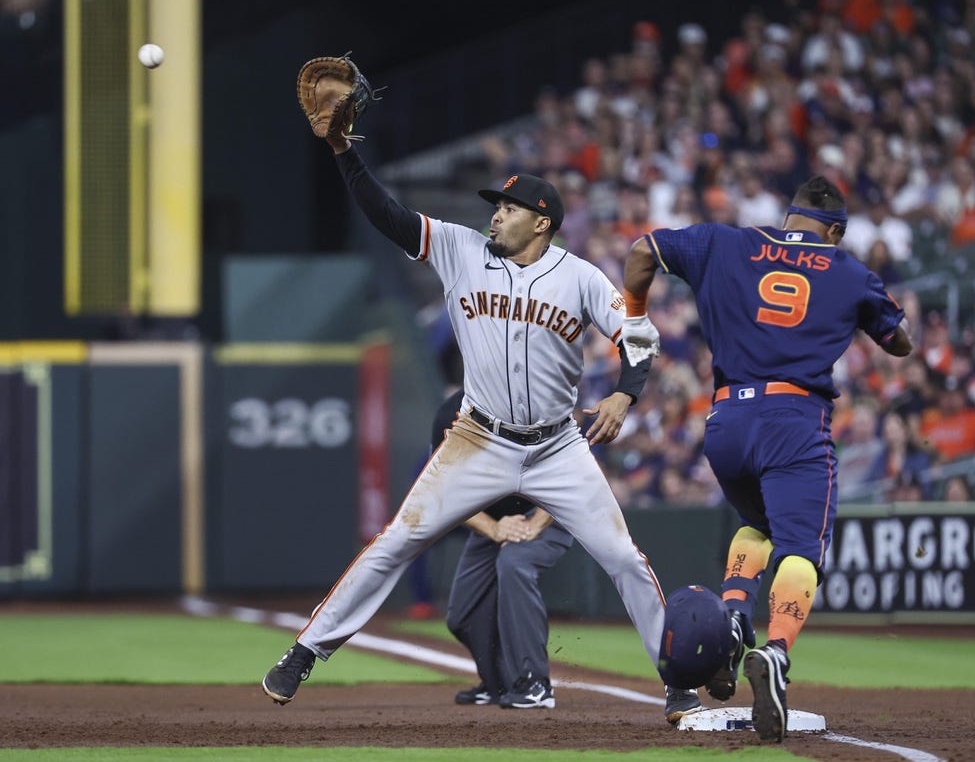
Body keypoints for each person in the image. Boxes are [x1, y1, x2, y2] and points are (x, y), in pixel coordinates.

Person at [262, 101, 703, 725]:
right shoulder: (460, 249)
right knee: (395, 541)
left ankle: (678, 683)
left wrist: (625, 392)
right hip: (478, 440)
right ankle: (306, 651)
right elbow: (385, 214)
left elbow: (638, 335)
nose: (495, 213)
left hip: (556, 448)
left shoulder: (578, 278)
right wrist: (343, 152)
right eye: (496, 205)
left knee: (625, 559)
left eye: (509, 207)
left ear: (542, 222)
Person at [621, 175, 912, 742]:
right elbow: (900, 339)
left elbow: (641, 251)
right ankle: (775, 651)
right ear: (834, 231)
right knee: (801, 548)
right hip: (794, 423)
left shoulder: (724, 242)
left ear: (787, 219)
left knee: (757, 525)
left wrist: (634, 318)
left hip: (726, 423)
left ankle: (734, 617)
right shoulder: (849, 271)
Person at [434, 388, 574, 709]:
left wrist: (535, 524)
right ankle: (497, 682)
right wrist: (494, 528)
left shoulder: (532, 399)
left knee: (515, 563)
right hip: (491, 521)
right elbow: (443, 490)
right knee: (461, 616)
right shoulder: (447, 414)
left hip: (543, 512)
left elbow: (573, 470)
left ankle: (534, 682)